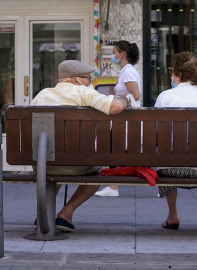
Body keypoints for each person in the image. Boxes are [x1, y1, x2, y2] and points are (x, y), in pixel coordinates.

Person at [31, 60, 128, 231]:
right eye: (88, 78)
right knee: (99, 172)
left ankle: (44, 215)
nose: (90, 82)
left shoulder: (42, 95)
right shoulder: (84, 93)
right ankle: (65, 214)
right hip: (78, 165)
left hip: (43, 164)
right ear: (76, 80)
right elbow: (116, 107)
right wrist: (125, 100)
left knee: (53, 162)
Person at [154, 51, 197, 231]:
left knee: (165, 156)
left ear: (179, 74)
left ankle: (172, 216)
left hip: (171, 169)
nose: (171, 75)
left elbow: (155, 132)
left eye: (172, 71)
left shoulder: (165, 96)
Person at [95, 40, 141, 197]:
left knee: (115, 148)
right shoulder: (127, 71)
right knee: (118, 148)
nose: (112, 55)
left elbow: (136, 95)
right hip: (124, 117)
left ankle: (113, 187)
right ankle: (113, 186)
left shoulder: (128, 72)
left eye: (114, 52)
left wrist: (119, 100)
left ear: (122, 54)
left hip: (126, 118)